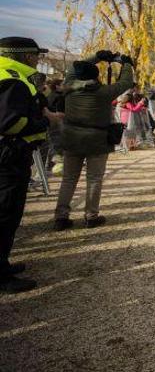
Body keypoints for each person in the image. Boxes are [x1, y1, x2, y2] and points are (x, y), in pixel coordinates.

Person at [54, 51, 134, 230]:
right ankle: (91, 216)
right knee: (94, 179)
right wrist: (126, 64)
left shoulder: (68, 86)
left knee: (68, 179)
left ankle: (60, 216)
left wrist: (97, 56)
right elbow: (126, 82)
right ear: (96, 76)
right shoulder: (104, 92)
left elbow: (76, 67)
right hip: (96, 140)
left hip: (71, 138)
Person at [0, 37, 51, 293]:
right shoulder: (12, 79)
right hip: (8, 156)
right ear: (22, 55)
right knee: (6, 213)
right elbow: (10, 123)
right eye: (34, 55)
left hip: (7, 154)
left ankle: (3, 264)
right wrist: (42, 124)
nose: (37, 59)